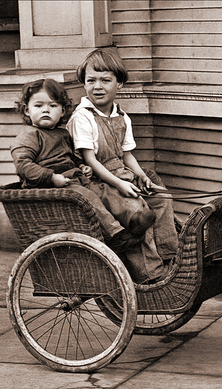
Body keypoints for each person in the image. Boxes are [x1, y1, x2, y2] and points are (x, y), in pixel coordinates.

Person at [67, 48, 178, 284]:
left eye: (106, 80)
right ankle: (150, 274)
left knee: (161, 199)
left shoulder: (122, 116)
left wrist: (139, 176)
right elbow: (90, 160)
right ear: (83, 84)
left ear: (120, 84)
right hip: (97, 181)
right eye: (91, 80)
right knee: (139, 212)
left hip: (120, 174)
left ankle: (169, 257)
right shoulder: (83, 117)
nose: (98, 86)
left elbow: (127, 155)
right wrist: (121, 184)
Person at [10, 78, 139, 252]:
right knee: (87, 197)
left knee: (104, 191)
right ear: (27, 110)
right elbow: (24, 166)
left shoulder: (62, 134)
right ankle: (115, 235)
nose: (46, 110)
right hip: (47, 187)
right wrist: (52, 177)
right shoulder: (29, 136)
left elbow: (70, 157)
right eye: (38, 106)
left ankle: (134, 219)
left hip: (72, 180)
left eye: (53, 106)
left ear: (63, 110)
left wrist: (81, 166)